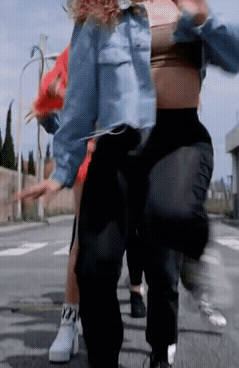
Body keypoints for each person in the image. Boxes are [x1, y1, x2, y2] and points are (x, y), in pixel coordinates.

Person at [18, 0, 239, 367]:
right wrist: (62, 169)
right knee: (94, 266)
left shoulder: (185, 6)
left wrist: (205, 18)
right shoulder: (97, 19)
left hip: (178, 139)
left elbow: (237, 57)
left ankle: (162, 349)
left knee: (167, 231)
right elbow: (81, 98)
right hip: (116, 146)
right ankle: (103, 358)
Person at [27, 46, 147, 364]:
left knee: (133, 236)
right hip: (89, 162)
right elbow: (49, 113)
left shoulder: (132, 46)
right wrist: (48, 109)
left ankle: (139, 292)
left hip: (128, 159)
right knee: (82, 243)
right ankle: (69, 322)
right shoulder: (73, 53)